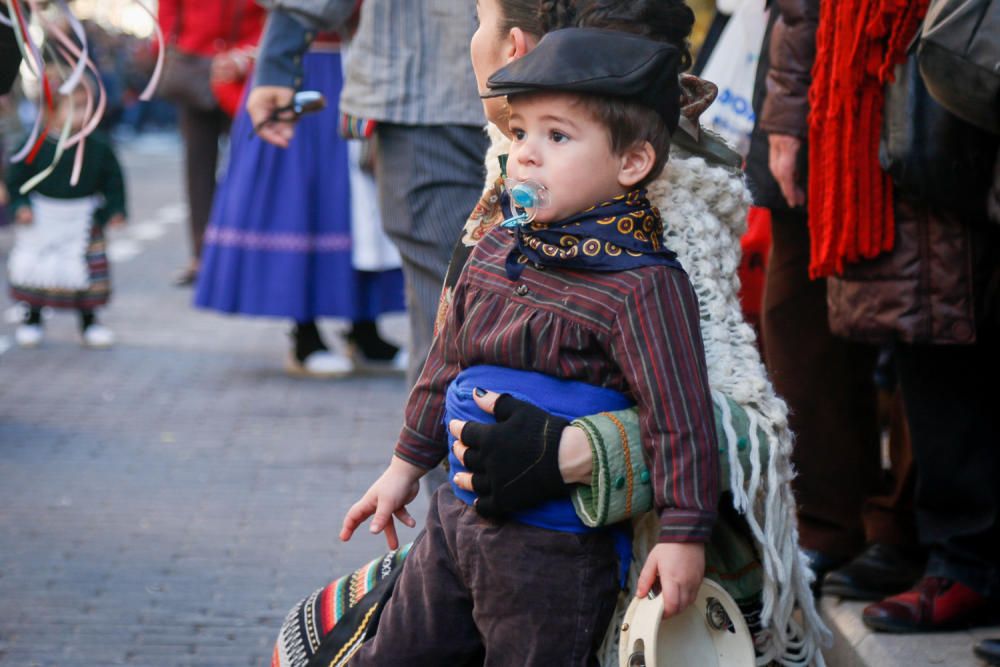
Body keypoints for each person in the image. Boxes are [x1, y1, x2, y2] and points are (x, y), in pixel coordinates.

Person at [337, 27, 719, 664]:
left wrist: (684, 533)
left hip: (553, 553)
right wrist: (403, 469)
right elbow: (445, 362)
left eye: (557, 136)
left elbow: (679, 419)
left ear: (632, 163)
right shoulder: (495, 250)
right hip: (452, 524)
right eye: (521, 134)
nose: (527, 155)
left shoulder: (644, 284)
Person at [761, 0, 1000, 633]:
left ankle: (951, 553)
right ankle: (954, 558)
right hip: (891, 99)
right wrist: (788, 117)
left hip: (958, 66)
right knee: (926, 328)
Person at [747, 0, 922, 598]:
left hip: (917, 71)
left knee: (924, 317)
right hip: (820, 87)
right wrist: (789, 117)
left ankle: (909, 531)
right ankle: (829, 524)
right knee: (799, 322)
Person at [249, 0, 489, 386]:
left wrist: (278, 57)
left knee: (444, 290)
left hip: (427, 90)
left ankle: (439, 439)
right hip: (531, 90)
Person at [194, 25, 406, 377]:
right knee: (303, 201)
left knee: (362, 206)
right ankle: (305, 335)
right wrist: (249, 54)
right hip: (299, 70)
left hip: (359, 62)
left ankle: (366, 329)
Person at [6, 86, 125, 349]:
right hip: (41, 216)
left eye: (85, 107)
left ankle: (89, 322)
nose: (81, 114)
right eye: (73, 107)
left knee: (85, 275)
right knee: (37, 271)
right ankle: (32, 320)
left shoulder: (98, 145)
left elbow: (114, 180)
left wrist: (116, 210)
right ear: (52, 111)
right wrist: (20, 206)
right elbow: (16, 180)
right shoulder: (34, 143)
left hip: (83, 218)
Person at [156, 0, 264, 287]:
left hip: (245, 73)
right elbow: (168, 10)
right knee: (198, 170)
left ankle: (245, 251)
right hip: (194, 67)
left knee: (249, 166)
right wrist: (169, 47)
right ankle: (202, 256)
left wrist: (249, 54)